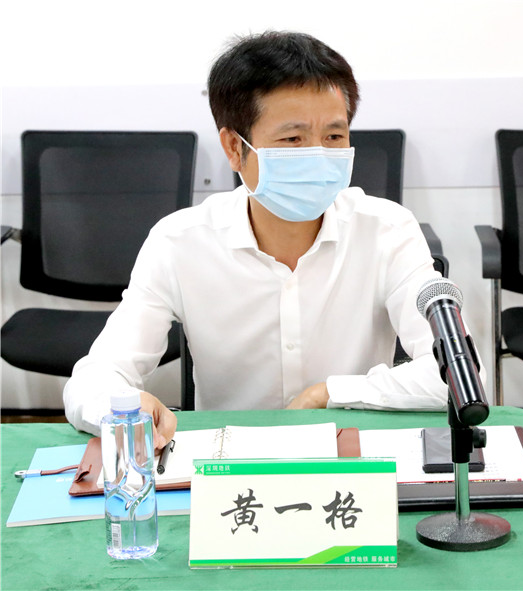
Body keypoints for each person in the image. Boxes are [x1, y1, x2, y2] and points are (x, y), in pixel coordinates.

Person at [64, 31, 476, 451]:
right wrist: (123, 405)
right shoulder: (179, 242)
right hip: (227, 465)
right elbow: (94, 380)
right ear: (234, 147)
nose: (318, 155)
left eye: (334, 137)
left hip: (349, 459)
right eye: (293, 139)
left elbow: (454, 377)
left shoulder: (387, 229)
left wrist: (328, 394)